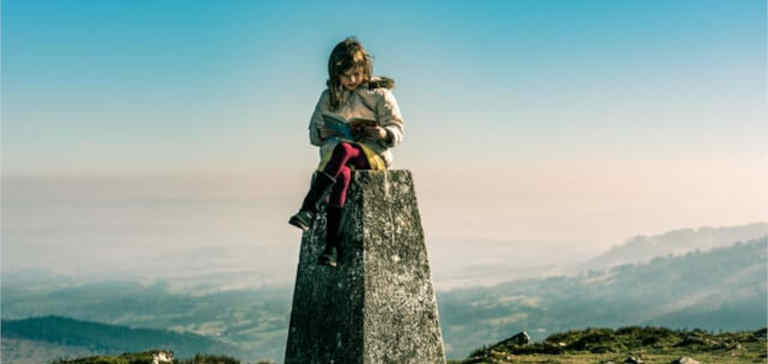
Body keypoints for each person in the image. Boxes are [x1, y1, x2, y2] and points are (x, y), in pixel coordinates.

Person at [289, 37, 405, 267]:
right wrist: (323, 132)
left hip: (371, 155)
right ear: (336, 74)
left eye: (357, 73)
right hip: (338, 157)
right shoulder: (328, 96)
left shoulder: (379, 93)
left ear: (365, 70)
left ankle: (308, 208)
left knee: (344, 149)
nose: (352, 80)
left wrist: (381, 133)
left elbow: (398, 129)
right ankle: (331, 248)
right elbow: (313, 132)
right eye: (346, 75)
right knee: (341, 175)